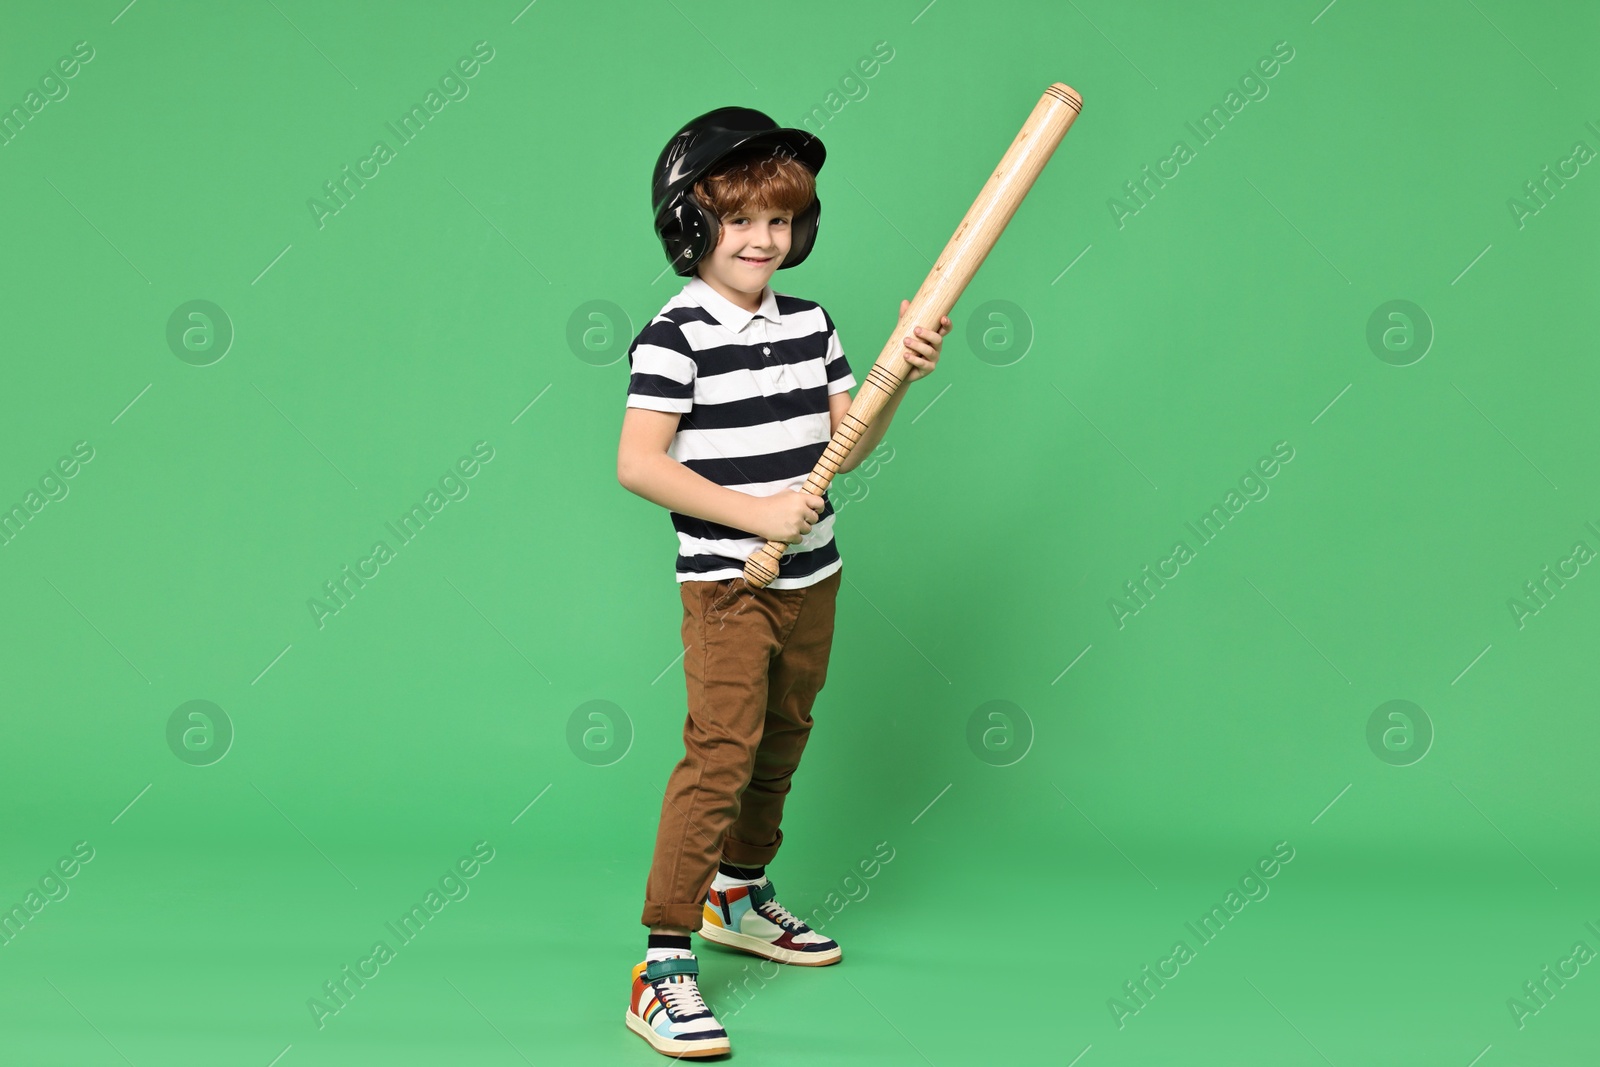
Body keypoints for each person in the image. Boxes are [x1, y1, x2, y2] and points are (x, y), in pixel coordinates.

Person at [616, 105, 949, 1059]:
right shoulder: (675, 335)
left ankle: (739, 893)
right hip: (729, 582)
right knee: (720, 751)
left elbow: (847, 446)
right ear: (692, 222)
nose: (764, 239)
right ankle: (663, 962)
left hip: (814, 575)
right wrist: (758, 514)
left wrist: (899, 379)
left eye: (780, 220)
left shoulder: (811, 323)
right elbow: (640, 462)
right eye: (741, 219)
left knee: (784, 737)